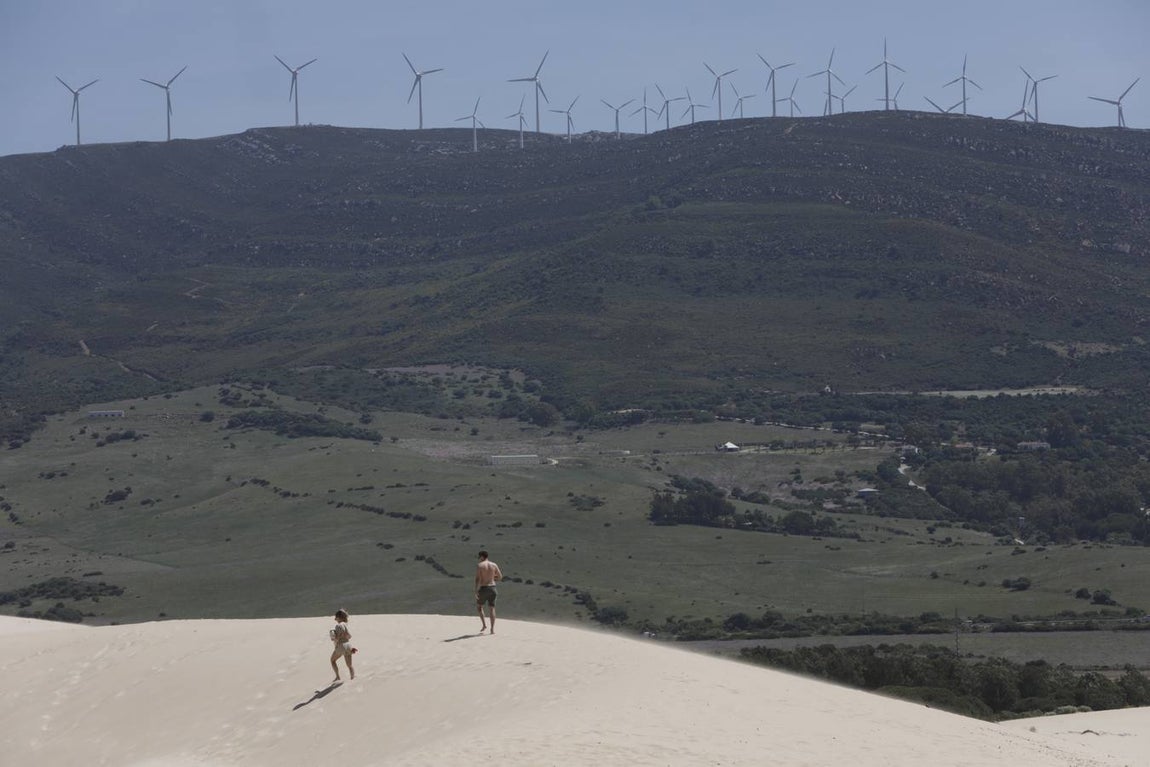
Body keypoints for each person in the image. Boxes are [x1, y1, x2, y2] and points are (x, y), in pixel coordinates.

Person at [474, 550, 503, 634]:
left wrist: (475, 590)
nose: (479, 559)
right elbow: (500, 577)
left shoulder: (480, 566)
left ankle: (484, 625)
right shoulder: (494, 565)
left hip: (484, 588)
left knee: (479, 606)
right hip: (493, 588)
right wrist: (493, 579)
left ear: (482, 557)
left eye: (479, 557)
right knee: (492, 608)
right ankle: (492, 629)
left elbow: (477, 579)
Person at [329, 608, 356, 681]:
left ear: (339, 617)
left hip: (341, 646)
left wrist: (333, 637)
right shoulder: (345, 624)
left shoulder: (338, 626)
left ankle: (338, 677)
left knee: (332, 660)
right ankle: (353, 678)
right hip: (348, 645)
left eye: (336, 617)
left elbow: (337, 639)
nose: (335, 619)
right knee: (349, 665)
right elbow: (349, 636)